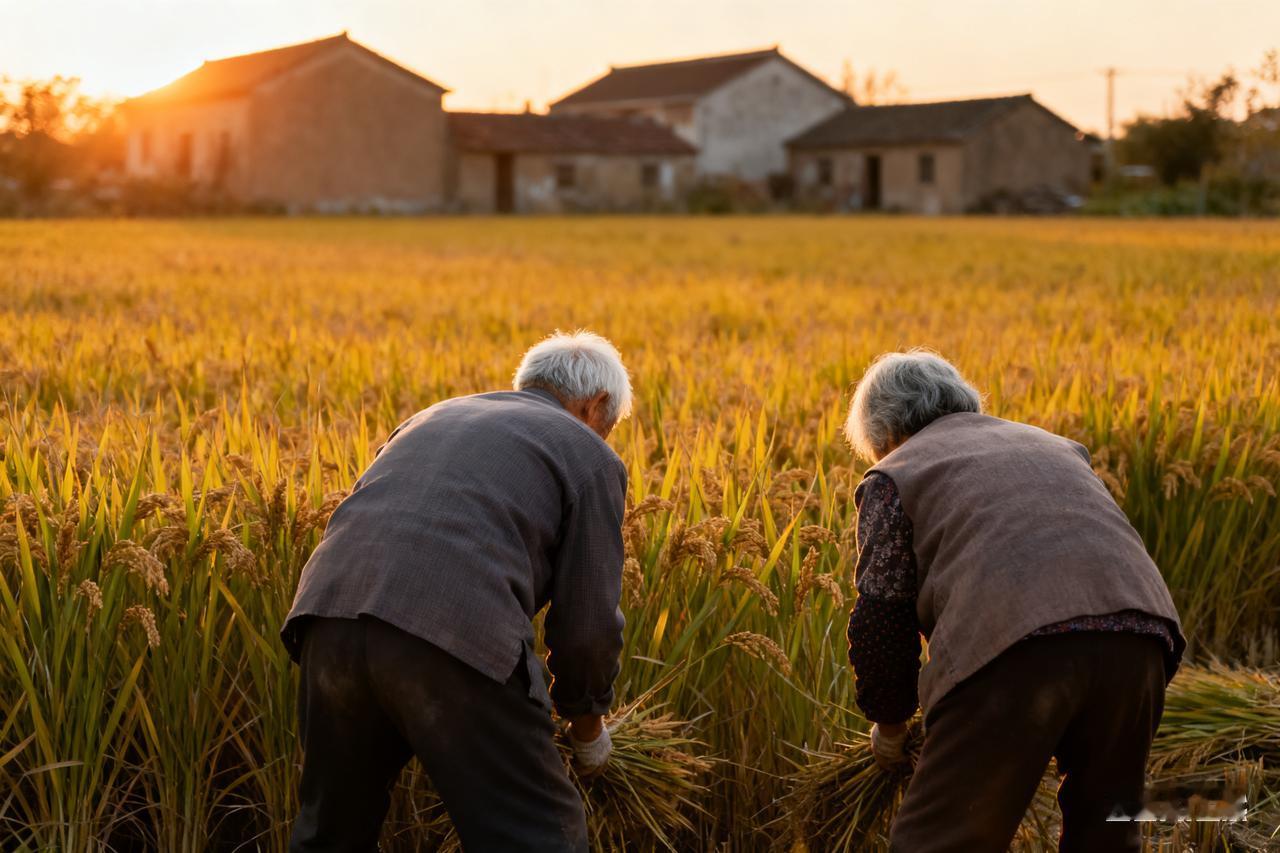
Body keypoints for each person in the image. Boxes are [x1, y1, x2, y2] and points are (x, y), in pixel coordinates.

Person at [281, 330, 632, 853]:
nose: (601, 438)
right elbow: (587, 628)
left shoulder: (429, 417)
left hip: (326, 620)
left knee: (330, 833)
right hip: (450, 631)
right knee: (539, 834)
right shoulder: (587, 454)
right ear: (594, 405)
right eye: (607, 427)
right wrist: (588, 729)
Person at [842, 350, 1185, 853]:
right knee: (1108, 835)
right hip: (1141, 638)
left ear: (886, 434)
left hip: (1014, 645)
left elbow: (882, 618)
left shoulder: (897, 474)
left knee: (938, 842)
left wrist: (890, 725)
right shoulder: (1060, 447)